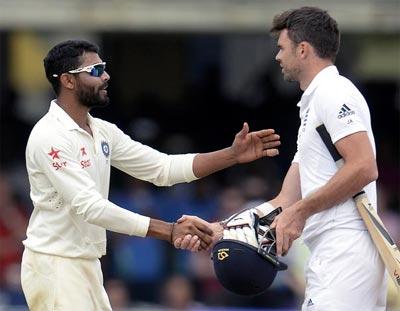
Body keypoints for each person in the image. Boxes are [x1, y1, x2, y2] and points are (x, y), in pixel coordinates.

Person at [21, 39, 281, 311]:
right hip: (55, 264)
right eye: (96, 70)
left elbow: (162, 169)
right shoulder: (50, 136)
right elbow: (91, 207)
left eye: (104, 68)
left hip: (84, 263)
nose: (106, 76)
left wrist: (231, 155)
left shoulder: (101, 131)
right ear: (68, 81)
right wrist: (168, 230)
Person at [176, 7, 386, 310]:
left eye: (281, 48)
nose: (277, 57)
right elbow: (285, 200)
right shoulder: (313, 104)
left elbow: (364, 166)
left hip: (346, 247)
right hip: (332, 249)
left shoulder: (333, 92)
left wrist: (301, 212)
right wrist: (221, 229)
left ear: (302, 50)